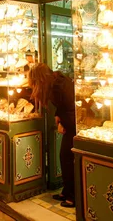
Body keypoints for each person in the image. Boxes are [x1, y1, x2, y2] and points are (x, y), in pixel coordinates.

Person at [28, 63, 76, 208]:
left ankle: (72, 197)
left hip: (73, 124)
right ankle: (67, 191)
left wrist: (62, 122)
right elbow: (62, 106)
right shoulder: (57, 80)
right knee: (65, 157)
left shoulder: (57, 86)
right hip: (70, 121)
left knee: (67, 158)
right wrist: (58, 116)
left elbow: (69, 107)